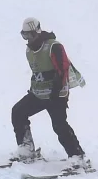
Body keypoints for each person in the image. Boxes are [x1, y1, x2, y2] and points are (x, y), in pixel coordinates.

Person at [11, 17, 91, 170]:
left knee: (59, 125)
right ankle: (26, 149)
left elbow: (63, 69)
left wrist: (56, 92)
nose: (27, 39)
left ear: (37, 32)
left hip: (56, 95)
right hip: (38, 94)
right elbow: (37, 73)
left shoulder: (53, 47)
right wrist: (33, 90)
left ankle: (77, 157)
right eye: (24, 35)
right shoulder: (30, 50)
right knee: (18, 112)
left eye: (29, 35)